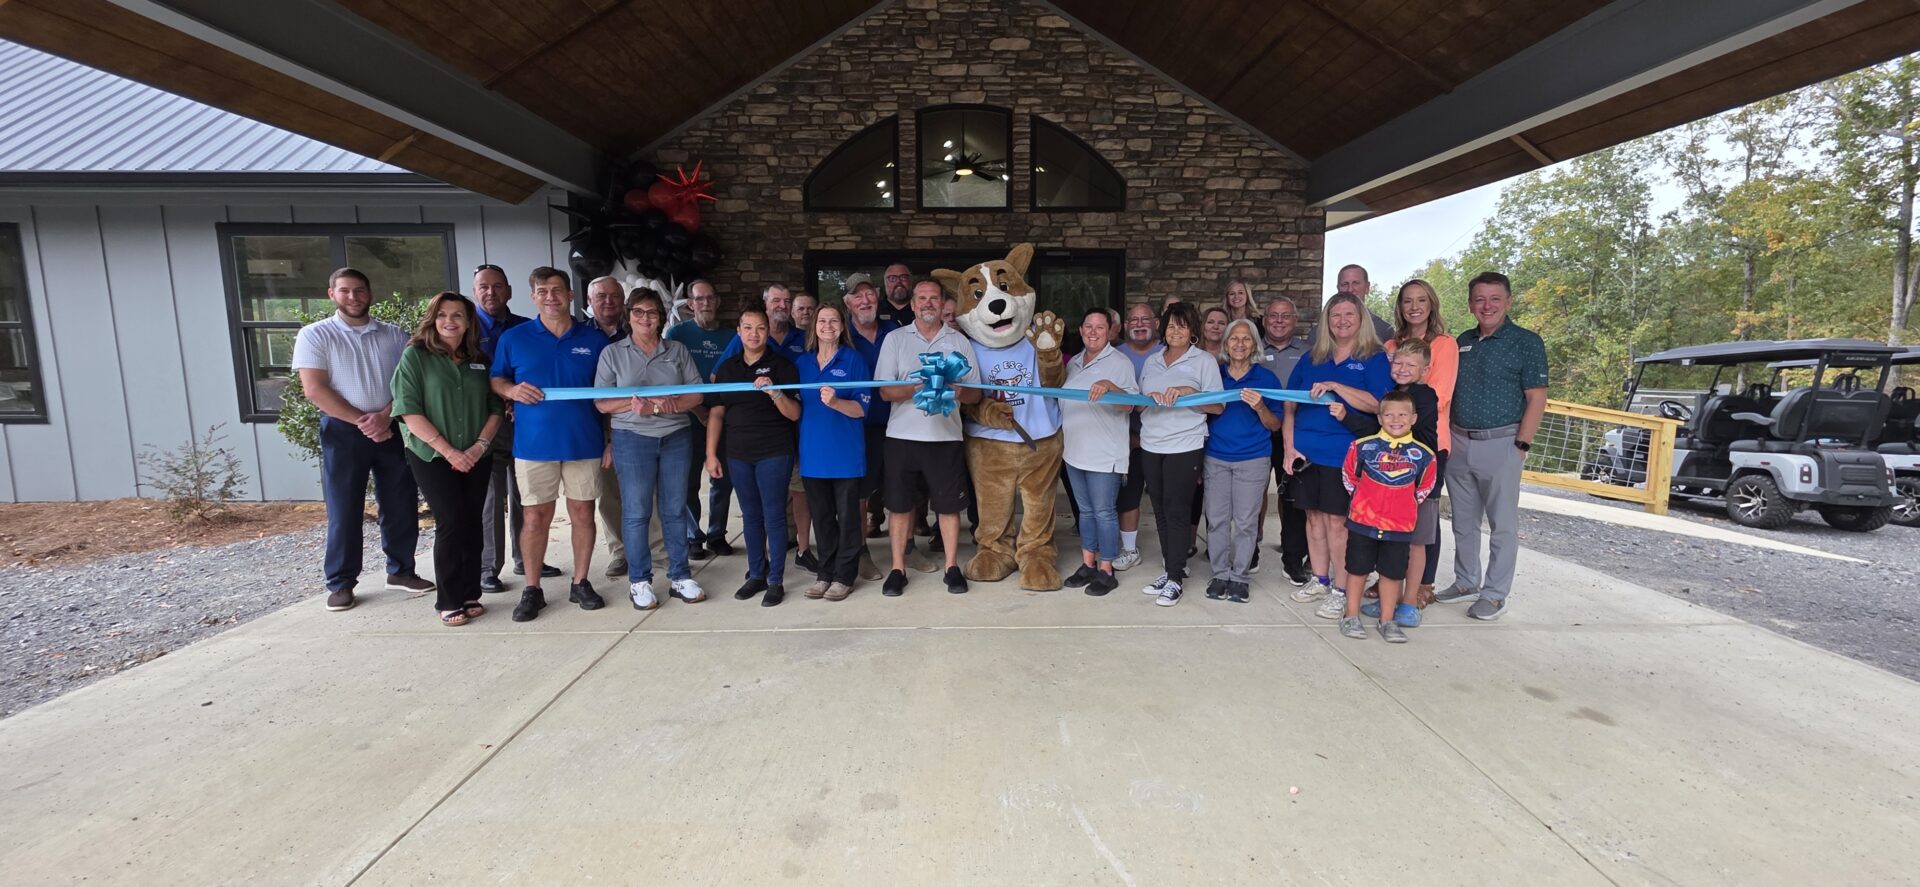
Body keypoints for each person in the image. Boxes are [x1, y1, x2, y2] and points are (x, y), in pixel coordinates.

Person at [292, 268, 431, 611]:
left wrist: (384, 416)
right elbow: (314, 389)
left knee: (400, 503)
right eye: (345, 291)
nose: (353, 297)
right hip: (343, 431)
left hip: (391, 426)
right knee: (345, 507)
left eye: (359, 290)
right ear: (332, 294)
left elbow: (408, 383)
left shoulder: (394, 335)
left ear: (370, 293)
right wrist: (363, 422)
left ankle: (401, 571)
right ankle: (341, 583)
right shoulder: (315, 335)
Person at [490, 267, 610, 622]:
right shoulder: (514, 337)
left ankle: (581, 582)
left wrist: (610, 440)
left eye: (557, 290)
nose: (550, 297)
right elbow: (496, 378)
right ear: (533, 297)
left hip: (584, 442)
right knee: (534, 517)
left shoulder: (595, 340)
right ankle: (532, 588)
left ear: (571, 295)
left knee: (583, 514)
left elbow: (609, 393)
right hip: (533, 445)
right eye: (542, 291)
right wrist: (511, 390)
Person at [1435, 271, 1548, 621]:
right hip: (1459, 440)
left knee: (1502, 524)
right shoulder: (1462, 342)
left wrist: (1522, 444)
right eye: (1480, 299)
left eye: (1495, 299)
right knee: (1462, 520)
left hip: (1502, 442)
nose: (1487, 306)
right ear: (1470, 304)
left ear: (1508, 301)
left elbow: (1537, 397)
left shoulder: (1526, 342)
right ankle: (1466, 581)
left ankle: (1495, 594)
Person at [391, 292, 503, 626]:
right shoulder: (415, 356)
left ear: (468, 322)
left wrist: (479, 447)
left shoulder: (478, 359)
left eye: (457, 315)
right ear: (432, 319)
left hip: (477, 454)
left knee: (472, 521)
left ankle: (470, 593)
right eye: (442, 315)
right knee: (451, 521)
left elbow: (495, 407)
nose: (449, 321)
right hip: (431, 455)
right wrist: (449, 451)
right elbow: (408, 409)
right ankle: (449, 599)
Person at [593, 287, 707, 610]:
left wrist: (658, 407)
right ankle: (639, 581)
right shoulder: (613, 353)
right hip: (632, 439)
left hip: (675, 437)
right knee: (636, 511)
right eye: (639, 312)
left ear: (661, 318)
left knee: (674, 509)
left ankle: (680, 575)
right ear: (629, 316)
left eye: (652, 312)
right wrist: (640, 403)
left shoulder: (677, 350)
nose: (645, 318)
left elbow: (696, 395)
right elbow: (602, 402)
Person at [1282, 292, 1392, 620]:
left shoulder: (1373, 358)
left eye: (1348, 315)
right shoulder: (1313, 357)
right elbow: (1289, 403)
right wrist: (1288, 447)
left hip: (1343, 455)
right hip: (1306, 452)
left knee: (1337, 524)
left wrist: (1336, 386)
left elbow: (1379, 404)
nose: (1341, 321)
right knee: (1313, 518)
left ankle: (1341, 591)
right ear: (1326, 321)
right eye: (1335, 315)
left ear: (1361, 319)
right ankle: (1320, 579)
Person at [874, 279, 983, 596]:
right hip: (902, 437)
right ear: (912, 304)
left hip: (945, 438)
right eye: (921, 298)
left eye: (934, 298)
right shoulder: (895, 339)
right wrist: (919, 387)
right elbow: (884, 391)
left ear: (942, 303)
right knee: (899, 506)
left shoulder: (959, 342)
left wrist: (959, 391)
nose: (928, 303)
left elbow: (976, 394)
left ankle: (951, 567)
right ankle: (898, 569)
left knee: (948, 507)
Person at [1340, 337, 1441, 627]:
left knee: (1416, 542)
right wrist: (1347, 417)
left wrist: (1412, 493)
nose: (1403, 369)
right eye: (1398, 363)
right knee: (1393, 546)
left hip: (1418, 477)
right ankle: (1391, 599)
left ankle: (1408, 602)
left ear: (1425, 370)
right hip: (1386, 483)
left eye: (1411, 365)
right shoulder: (1394, 394)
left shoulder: (1425, 396)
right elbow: (1377, 431)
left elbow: (1400, 433)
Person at [706, 306, 800, 606]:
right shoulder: (727, 368)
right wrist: (711, 454)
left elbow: (794, 413)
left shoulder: (782, 366)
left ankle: (775, 580)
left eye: (760, 328)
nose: (754, 334)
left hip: (774, 450)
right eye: (747, 328)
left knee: (774, 515)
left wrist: (775, 393)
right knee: (750, 515)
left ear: (768, 331)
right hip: (738, 453)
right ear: (739, 331)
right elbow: (716, 413)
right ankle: (757, 573)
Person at [471, 263, 555, 590]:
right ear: (475, 292)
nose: (490, 292)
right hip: (486, 423)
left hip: (524, 423)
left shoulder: (526, 328)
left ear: (508, 291)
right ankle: (488, 568)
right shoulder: (466, 328)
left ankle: (527, 558)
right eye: (483, 287)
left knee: (527, 494)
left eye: (497, 286)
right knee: (492, 498)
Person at [1138, 301, 1224, 606]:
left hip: (1184, 445)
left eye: (1183, 326)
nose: (1176, 331)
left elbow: (1218, 406)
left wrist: (1189, 393)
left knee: (1177, 511)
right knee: (1160, 511)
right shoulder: (1152, 361)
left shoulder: (1203, 361)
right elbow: (1139, 405)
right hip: (1151, 443)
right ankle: (1171, 568)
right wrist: (1148, 398)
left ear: (1193, 331)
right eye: (1171, 325)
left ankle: (1174, 579)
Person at [1385, 279, 1457, 604]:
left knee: (1425, 517)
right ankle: (1392, 577)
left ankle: (1424, 584)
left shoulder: (1444, 344)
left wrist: (1397, 419)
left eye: (1421, 300)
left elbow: (1439, 395)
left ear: (1431, 305)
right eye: (1407, 301)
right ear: (1400, 306)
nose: (1414, 307)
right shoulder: (1391, 344)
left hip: (1428, 443)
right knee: (1393, 513)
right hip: (1390, 444)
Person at [1059, 307, 1138, 596]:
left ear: (1110, 332)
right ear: (1081, 330)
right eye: (1088, 326)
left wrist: (1109, 386)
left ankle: (1107, 570)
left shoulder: (1120, 363)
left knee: (1104, 513)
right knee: (1085, 512)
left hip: (1105, 454)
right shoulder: (1073, 363)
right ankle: (1088, 564)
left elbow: (1130, 405)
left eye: (1100, 327)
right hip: (1074, 451)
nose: (1093, 332)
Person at [796, 302, 872, 601]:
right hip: (812, 456)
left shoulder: (854, 360)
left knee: (849, 520)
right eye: (822, 321)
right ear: (814, 327)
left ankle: (844, 577)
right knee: (822, 519)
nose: (827, 325)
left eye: (834, 321)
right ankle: (825, 574)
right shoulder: (802, 363)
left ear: (843, 327)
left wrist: (836, 402)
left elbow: (862, 409)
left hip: (846, 456)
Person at [1205, 319, 1283, 604]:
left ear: (1254, 345)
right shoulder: (1214, 375)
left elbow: (1275, 425)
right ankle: (1219, 574)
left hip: (1253, 458)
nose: (1239, 344)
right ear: (1226, 344)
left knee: (1246, 522)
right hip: (1215, 456)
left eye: (1246, 339)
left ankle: (1239, 577)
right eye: (1234, 338)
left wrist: (1260, 406)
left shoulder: (1267, 379)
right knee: (1216, 520)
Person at [667, 279, 735, 562]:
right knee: (688, 481)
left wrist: (718, 412)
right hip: (688, 418)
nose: (705, 303)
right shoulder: (677, 334)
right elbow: (671, 378)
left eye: (710, 298)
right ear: (690, 304)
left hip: (724, 416)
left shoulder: (732, 336)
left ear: (717, 301)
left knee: (722, 479)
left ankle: (717, 534)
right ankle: (693, 536)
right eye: (699, 299)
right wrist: (699, 411)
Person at [844, 274, 898, 575]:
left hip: (897, 422)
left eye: (869, 294)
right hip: (858, 427)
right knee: (860, 492)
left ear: (877, 296)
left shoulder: (895, 331)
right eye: (857, 296)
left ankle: (906, 547)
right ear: (848, 302)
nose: (865, 301)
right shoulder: (843, 336)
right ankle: (861, 551)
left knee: (901, 487)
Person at [1258, 297, 1311, 586]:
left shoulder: (1309, 352)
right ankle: (1250, 550)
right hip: (1257, 430)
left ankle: (1293, 559)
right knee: (1252, 495)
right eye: (1273, 315)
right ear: (1264, 319)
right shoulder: (1251, 348)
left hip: (1294, 433)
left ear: (1295, 320)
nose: (1279, 321)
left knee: (1292, 497)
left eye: (1285, 316)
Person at [582, 277, 630, 579]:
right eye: (601, 296)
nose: (609, 301)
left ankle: (652, 549)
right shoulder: (579, 336)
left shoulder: (637, 330)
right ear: (589, 300)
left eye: (615, 296)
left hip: (634, 421)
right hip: (594, 424)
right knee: (609, 491)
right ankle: (620, 552)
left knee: (645, 491)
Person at [1113, 301, 1163, 570]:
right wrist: (1128, 435)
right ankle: (1130, 550)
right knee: (1128, 496)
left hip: (1165, 441)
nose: (1139, 324)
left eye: (1145, 319)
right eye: (1134, 320)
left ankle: (1172, 553)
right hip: (1128, 439)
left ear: (1156, 324)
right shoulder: (1114, 356)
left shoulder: (1169, 353)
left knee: (1166, 498)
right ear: (1125, 326)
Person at [878, 263, 916, 328]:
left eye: (904, 277)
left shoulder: (921, 308)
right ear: (885, 283)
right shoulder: (876, 310)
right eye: (892, 278)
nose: (898, 281)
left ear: (910, 282)